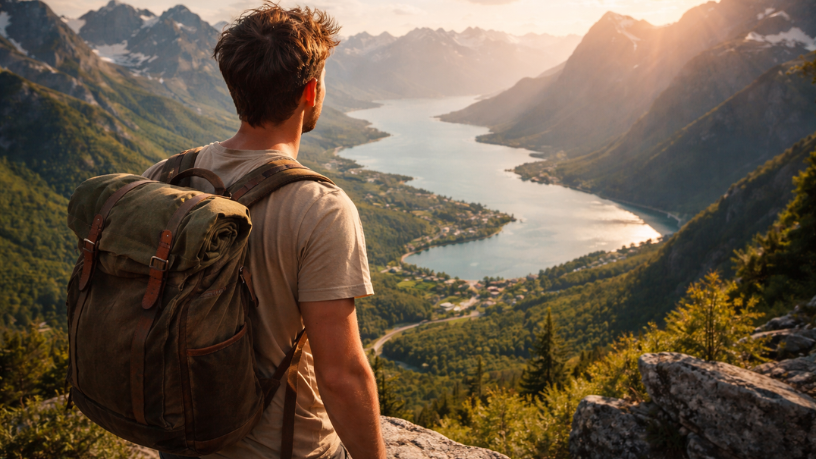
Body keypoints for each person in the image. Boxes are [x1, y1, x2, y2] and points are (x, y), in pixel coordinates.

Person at [142, 4, 386, 459]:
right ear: (311, 91)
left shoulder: (166, 176)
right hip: (286, 449)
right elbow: (342, 375)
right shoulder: (319, 208)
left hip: (182, 439)